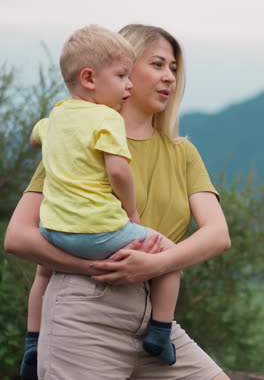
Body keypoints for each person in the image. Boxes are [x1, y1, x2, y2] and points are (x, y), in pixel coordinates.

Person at [5, 23, 231, 380]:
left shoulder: (183, 152)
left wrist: (154, 266)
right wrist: (94, 269)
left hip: (156, 320)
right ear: (122, 68)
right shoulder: (76, 142)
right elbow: (18, 236)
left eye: (173, 68)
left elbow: (218, 234)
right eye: (157, 64)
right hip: (84, 312)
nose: (169, 77)